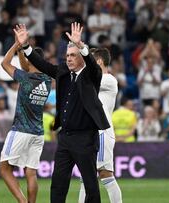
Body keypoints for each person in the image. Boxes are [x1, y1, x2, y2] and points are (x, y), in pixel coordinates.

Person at [14, 22, 110, 203]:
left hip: (85, 138)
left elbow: (93, 66)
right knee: (58, 184)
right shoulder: (63, 73)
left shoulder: (91, 75)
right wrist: (26, 46)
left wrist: (81, 46)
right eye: (67, 55)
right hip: (65, 137)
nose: (69, 59)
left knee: (90, 185)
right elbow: (42, 64)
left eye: (73, 55)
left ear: (81, 57)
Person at [0, 39, 51, 203]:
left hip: (21, 130)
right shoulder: (47, 80)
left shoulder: (26, 78)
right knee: (31, 172)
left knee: (4, 169)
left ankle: (22, 201)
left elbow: (4, 63)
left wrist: (15, 45)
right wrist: (22, 51)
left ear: (30, 61)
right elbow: (26, 65)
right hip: (38, 133)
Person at [78, 48, 122, 203]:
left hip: (103, 133)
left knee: (105, 174)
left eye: (90, 61)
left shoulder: (109, 80)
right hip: (89, 133)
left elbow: (85, 81)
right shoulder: (92, 80)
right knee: (85, 175)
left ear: (99, 62)